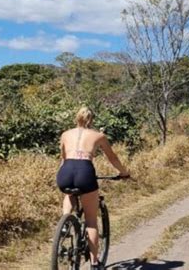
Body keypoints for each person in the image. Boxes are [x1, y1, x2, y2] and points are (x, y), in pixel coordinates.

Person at [56, 106, 129, 269]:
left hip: (65, 171)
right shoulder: (99, 136)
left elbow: (63, 158)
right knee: (91, 222)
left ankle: (65, 221)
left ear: (76, 118)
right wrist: (123, 172)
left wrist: (62, 175)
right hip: (85, 172)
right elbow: (112, 157)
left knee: (69, 193)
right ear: (92, 120)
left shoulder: (65, 134)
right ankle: (95, 263)